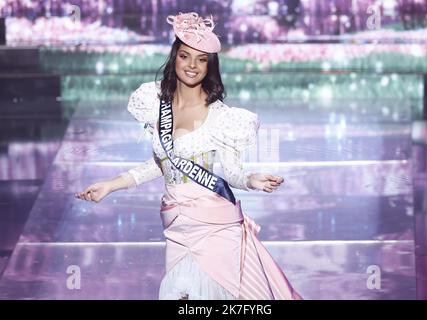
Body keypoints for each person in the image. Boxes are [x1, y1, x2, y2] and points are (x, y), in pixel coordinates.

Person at [75, 12, 301, 300]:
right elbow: (161, 164)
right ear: (175, 58)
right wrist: (110, 184)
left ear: (210, 65)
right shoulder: (156, 105)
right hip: (176, 228)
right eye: (185, 56)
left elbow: (232, 173)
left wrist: (251, 180)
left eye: (201, 59)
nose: (192, 65)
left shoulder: (222, 117)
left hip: (216, 226)